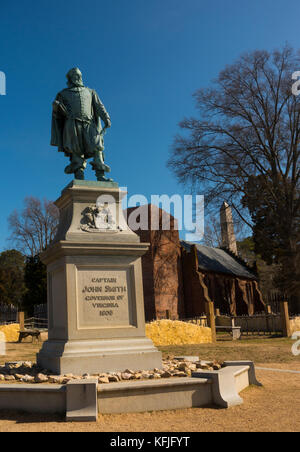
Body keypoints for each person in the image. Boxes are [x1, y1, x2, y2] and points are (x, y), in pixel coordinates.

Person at [51, 68, 112, 181]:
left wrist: (106, 118)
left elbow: (99, 106)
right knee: (76, 150)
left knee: (97, 146)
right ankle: (79, 176)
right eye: (74, 76)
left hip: (89, 123)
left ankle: (101, 175)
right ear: (70, 78)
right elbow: (58, 116)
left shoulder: (90, 92)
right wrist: (56, 109)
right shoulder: (63, 94)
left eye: (78, 75)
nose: (77, 78)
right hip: (72, 124)